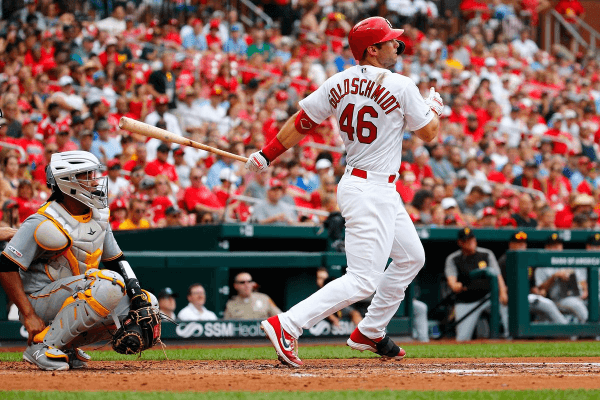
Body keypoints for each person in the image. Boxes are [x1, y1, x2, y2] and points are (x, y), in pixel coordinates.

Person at [245, 17, 441, 366]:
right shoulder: (401, 84)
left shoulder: (338, 80)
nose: (397, 45)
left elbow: (303, 121)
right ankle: (287, 324)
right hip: (371, 190)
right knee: (363, 280)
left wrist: (267, 154)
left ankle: (371, 329)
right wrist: (434, 109)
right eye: (390, 41)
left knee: (412, 257)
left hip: (369, 186)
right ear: (372, 49)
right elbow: (429, 134)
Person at [0, 151, 159, 371]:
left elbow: (116, 260)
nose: (95, 181)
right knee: (109, 284)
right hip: (39, 300)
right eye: (88, 175)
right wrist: (28, 315)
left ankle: (66, 346)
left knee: (149, 302)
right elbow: (6, 266)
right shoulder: (42, 220)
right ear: (68, 181)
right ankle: (42, 346)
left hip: (77, 294)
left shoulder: (99, 215)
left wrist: (136, 293)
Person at [444, 228, 509, 341]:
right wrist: (455, 285)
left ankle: (509, 337)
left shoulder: (486, 254)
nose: (470, 242)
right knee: (462, 338)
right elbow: (452, 281)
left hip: (488, 298)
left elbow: (497, 275)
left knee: (505, 305)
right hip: (466, 300)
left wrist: (503, 292)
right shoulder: (453, 258)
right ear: (460, 242)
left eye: (472, 239)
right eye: (466, 240)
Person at [497, 231, 568, 325]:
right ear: (511, 244)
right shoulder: (504, 260)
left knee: (547, 304)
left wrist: (539, 292)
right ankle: (507, 333)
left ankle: (564, 328)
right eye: (518, 242)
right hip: (509, 297)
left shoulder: (527, 261)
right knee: (505, 312)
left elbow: (532, 285)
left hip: (526, 297)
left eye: (523, 243)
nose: (522, 245)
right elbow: (500, 284)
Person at [534, 233, 588, 323]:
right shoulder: (542, 267)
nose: (556, 248)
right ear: (547, 247)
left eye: (558, 245)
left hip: (578, 296)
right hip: (558, 299)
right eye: (553, 245)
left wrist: (585, 292)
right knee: (577, 305)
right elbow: (540, 289)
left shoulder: (569, 261)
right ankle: (590, 328)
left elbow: (582, 281)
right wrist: (554, 277)